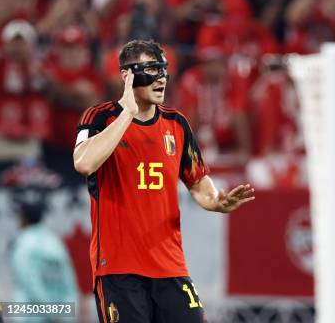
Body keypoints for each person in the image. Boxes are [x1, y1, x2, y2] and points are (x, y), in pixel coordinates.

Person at [73, 39, 255, 323]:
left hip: (170, 267)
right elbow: (84, 162)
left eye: (164, 70)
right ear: (126, 76)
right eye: (151, 70)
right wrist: (128, 115)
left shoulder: (177, 124)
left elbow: (197, 181)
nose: (161, 79)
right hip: (119, 271)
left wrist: (215, 200)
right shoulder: (99, 117)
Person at [9, 188, 78, 322]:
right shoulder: (54, 241)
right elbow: (69, 281)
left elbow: (30, 283)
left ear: (23, 218)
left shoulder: (23, 243)